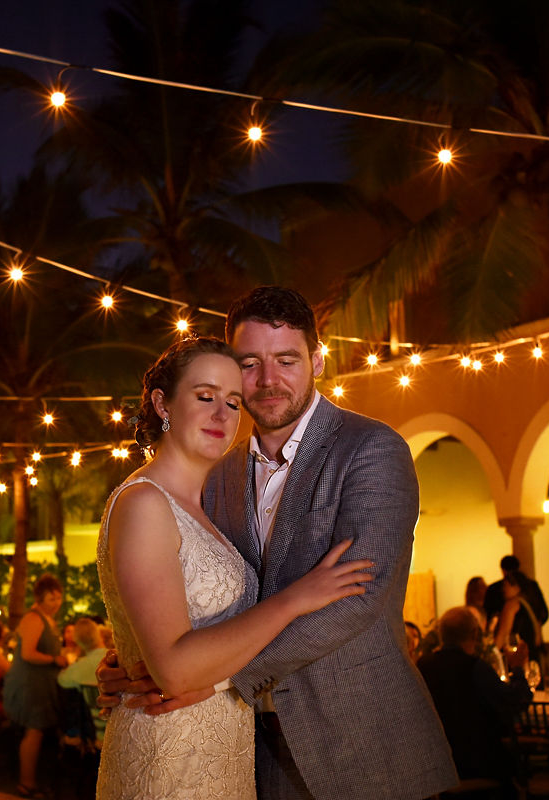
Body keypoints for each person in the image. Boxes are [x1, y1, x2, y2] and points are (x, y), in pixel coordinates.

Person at [99, 287, 457, 800]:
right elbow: (195, 591)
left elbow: (356, 601)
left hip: (362, 747)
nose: (268, 381)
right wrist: (134, 660)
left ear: (316, 360)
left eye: (287, 360)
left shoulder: (371, 448)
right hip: (250, 754)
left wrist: (209, 678)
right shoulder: (217, 473)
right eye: (250, 363)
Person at [96, 334, 376, 800]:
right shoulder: (145, 502)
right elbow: (175, 671)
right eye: (205, 397)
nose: (223, 415)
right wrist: (294, 600)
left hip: (224, 751)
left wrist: (126, 658)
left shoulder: (203, 503)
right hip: (170, 754)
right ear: (162, 404)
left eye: (232, 402)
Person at [418, 607, 531, 796]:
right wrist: (518, 669)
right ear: (475, 633)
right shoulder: (474, 668)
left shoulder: (422, 666)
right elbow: (515, 703)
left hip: (435, 767)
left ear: (440, 634)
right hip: (477, 764)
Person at [4, 573, 69, 799]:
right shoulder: (33, 618)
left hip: (42, 682)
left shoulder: (47, 619)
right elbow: (27, 653)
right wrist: (54, 660)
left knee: (39, 732)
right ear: (40, 599)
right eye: (52, 599)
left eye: (59, 598)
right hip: (30, 683)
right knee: (34, 731)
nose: (57, 603)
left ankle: (34, 780)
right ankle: (26, 784)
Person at [483, 555, 549, 662]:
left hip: (516, 655)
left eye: (506, 585)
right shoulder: (528, 599)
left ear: (516, 586)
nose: (503, 589)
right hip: (531, 651)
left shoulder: (511, 605)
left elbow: (503, 633)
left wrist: (489, 655)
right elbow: (544, 614)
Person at [57, 617, 110, 744]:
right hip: (125, 729)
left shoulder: (77, 669)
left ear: (78, 642)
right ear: (99, 635)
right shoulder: (117, 658)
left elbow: (61, 680)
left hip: (99, 737)